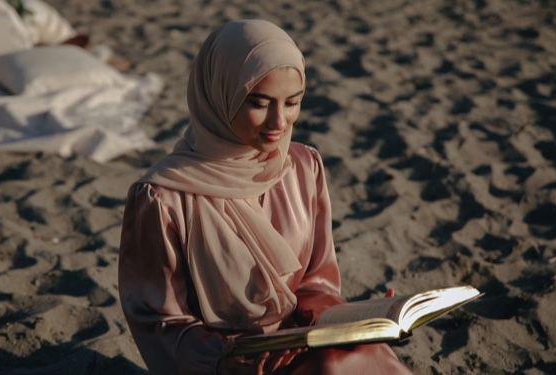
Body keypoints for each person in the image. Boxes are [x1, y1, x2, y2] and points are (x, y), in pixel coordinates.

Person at [118, 19, 412, 374]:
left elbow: (316, 279)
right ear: (218, 93)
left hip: (302, 339)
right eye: (259, 103)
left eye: (292, 103)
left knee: (353, 357)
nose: (279, 122)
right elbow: (158, 320)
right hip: (228, 363)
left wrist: (351, 319)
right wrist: (225, 356)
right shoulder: (162, 197)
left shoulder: (303, 166)